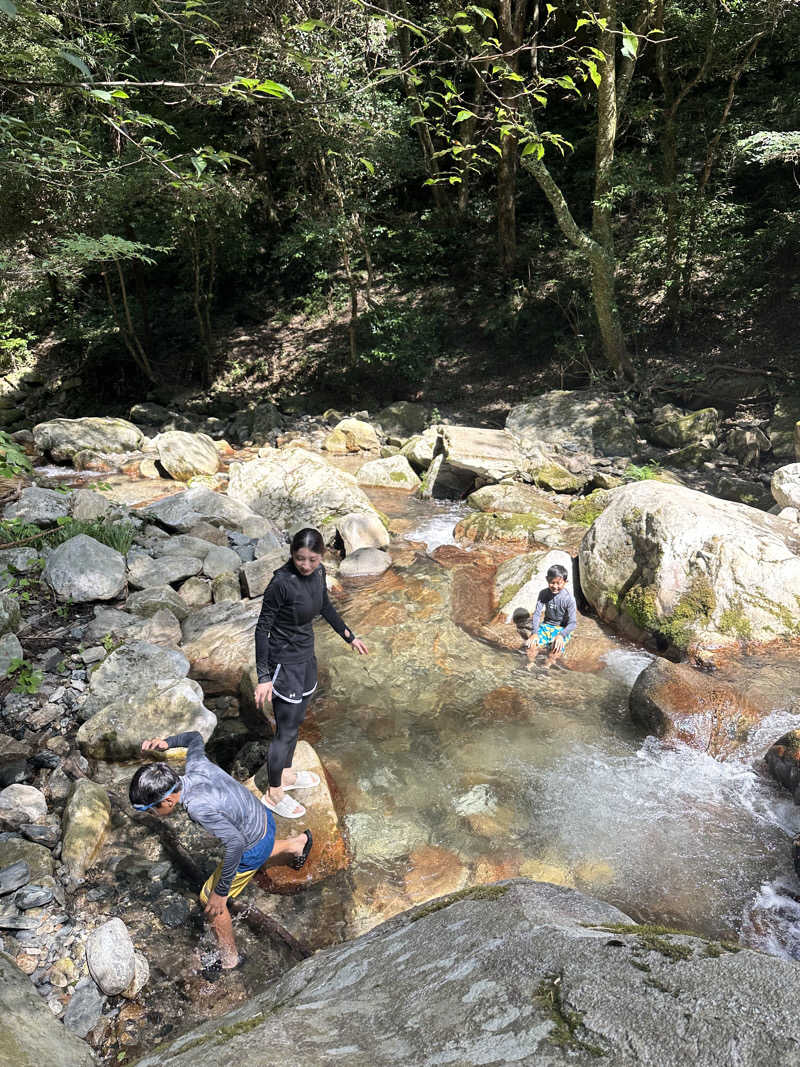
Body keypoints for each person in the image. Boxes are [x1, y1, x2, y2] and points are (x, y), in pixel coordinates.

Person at [129, 731, 313, 970]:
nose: (153, 815)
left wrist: (220, 893)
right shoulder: (196, 765)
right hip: (263, 817)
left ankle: (230, 959)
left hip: (251, 843)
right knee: (250, 846)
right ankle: (297, 843)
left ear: (167, 802)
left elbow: (235, 844)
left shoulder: (197, 807)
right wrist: (169, 743)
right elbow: (195, 738)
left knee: (209, 900)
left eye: (151, 810)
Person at [254, 527, 368, 819]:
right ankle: (274, 793)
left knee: (298, 720)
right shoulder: (281, 583)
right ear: (292, 554)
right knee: (286, 729)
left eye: (312, 559)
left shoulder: (319, 574)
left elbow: (326, 607)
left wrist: (349, 636)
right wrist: (264, 676)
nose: (305, 565)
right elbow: (262, 628)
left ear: (322, 557)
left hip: (306, 658)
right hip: (284, 663)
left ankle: (288, 773)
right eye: (299, 558)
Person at [524, 563, 577, 668]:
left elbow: (573, 623)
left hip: (561, 628)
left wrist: (561, 635)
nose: (555, 586)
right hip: (546, 625)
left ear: (565, 582)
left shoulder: (569, 598)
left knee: (556, 649)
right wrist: (534, 633)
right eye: (552, 583)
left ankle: (546, 667)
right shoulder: (543, 594)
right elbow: (537, 614)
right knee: (531, 645)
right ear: (547, 579)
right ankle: (530, 664)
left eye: (559, 583)